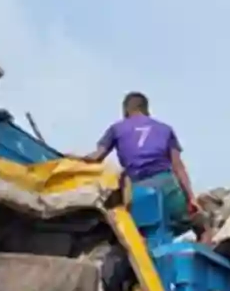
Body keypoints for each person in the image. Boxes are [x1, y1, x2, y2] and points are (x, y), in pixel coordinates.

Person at [84, 92, 197, 234]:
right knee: (194, 223)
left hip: (137, 189)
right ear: (146, 109)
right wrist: (191, 198)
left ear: (125, 110)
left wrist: (71, 159)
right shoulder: (165, 129)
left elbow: (97, 157)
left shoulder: (116, 128)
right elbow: (178, 167)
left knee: (137, 231)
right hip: (167, 185)